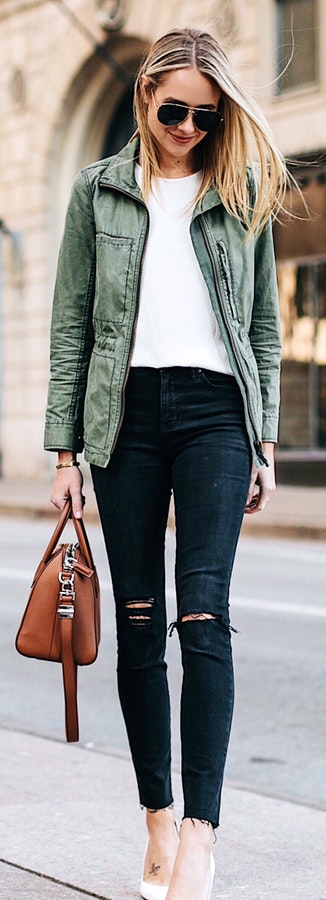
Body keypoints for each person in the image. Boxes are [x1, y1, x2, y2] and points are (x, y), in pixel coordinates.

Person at [45, 27, 287, 900]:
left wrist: (264, 439)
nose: (188, 127)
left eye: (206, 115)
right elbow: (71, 326)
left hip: (218, 414)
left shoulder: (242, 189)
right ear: (146, 95)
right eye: (175, 109)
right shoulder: (96, 192)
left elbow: (262, 325)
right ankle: (155, 813)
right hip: (128, 418)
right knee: (142, 623)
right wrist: (65, 450)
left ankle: (199, 832)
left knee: (206, 619)